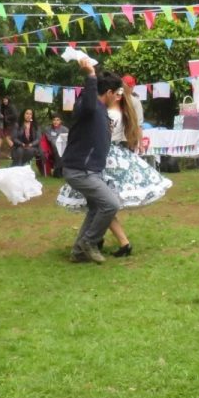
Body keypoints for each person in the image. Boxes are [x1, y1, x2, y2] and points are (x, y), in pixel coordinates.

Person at [58, 81, 171, 257]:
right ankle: (100, 241)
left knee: (104, 203)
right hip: (116, 154)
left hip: (105, 157)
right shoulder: (125, 111)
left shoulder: (108, 112)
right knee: (101, 204)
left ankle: (100, 241)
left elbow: (102, 135)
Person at [60, 61, 123, 263]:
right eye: (117, 93)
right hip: (80, 170)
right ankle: (89, 242)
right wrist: (91, 75)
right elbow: (88, 102)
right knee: (111, 204)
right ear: (110, 92)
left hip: (90, 169)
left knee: (97, 207)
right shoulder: (90, 105)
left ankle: (78, 253)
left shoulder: (100, 108)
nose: (118, 97)